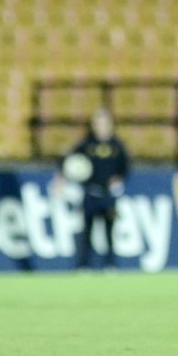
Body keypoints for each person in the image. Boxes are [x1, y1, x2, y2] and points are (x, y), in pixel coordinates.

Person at [59, 107, 130, 271]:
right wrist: (62, 177)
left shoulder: (117, 145)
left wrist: (118, 178)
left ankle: (110, 264)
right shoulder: (87, 144)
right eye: (98, 122)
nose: (101, 126)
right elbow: (69, 160)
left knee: (109, 231)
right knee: (86, 231)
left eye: (104, 122)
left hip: (109, 197)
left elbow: (125, 167)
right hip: (91, 194)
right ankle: (84, 264)